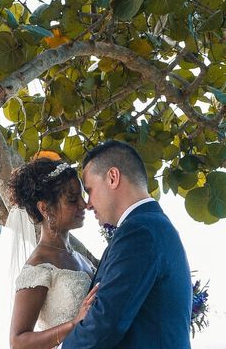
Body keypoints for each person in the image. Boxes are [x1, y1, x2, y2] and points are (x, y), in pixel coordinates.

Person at [61, 140, 193, 348]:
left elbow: (107, 322)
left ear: (112, 177)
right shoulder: (152, 226)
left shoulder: (139, 232)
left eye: (90, 190)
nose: (87, 203)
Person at [8, 157, 99, 349]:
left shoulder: (82, 259)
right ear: (45, 208)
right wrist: (73, 324)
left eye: (82, 196)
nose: (84, 204)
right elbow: (18, 342)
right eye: (73, 199)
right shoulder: (39, 266)